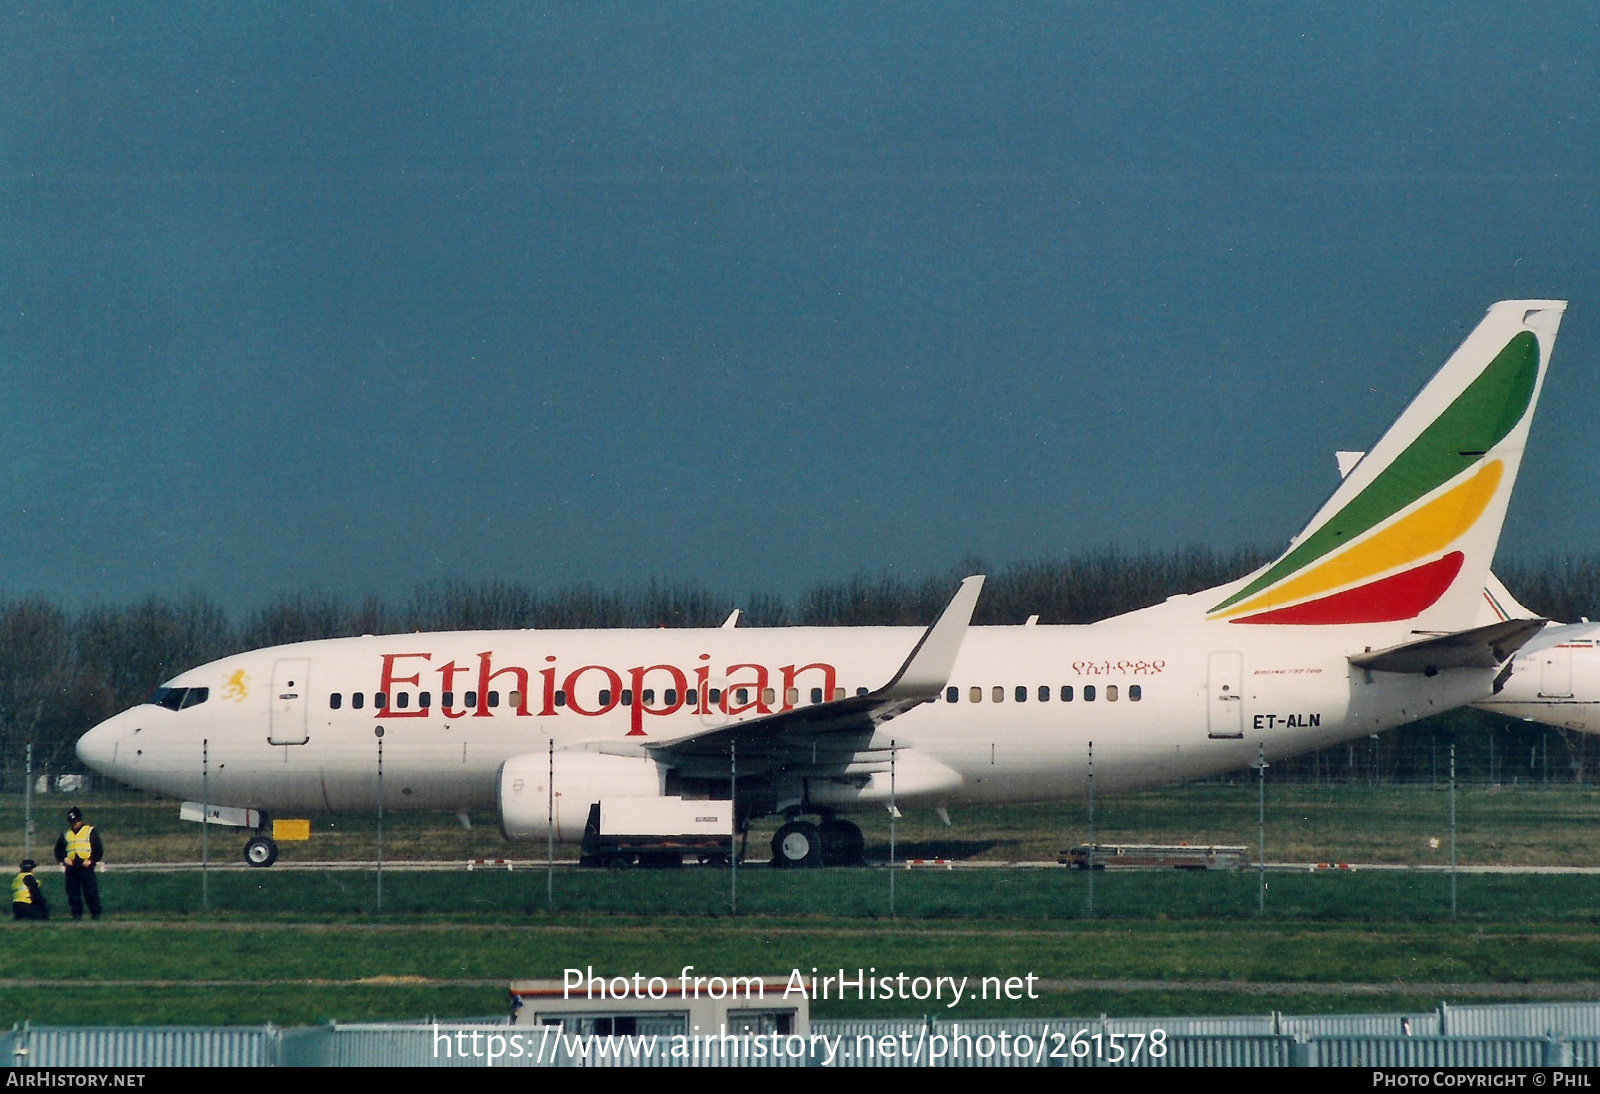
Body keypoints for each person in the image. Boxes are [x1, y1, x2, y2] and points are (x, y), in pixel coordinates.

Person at [54, 807, 103, 920]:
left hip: (86, 866)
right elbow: (58, 850)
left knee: (90, 891)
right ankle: (76, 914)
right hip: (72, 867)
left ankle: (95, 914)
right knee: (73, 892)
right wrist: (63, 859)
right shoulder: (66, 834)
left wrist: (91, 860)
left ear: (80, 820)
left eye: (76, 821)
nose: (74, 824)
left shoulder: (89, 831)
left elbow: (98, 849)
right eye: (72, 821)